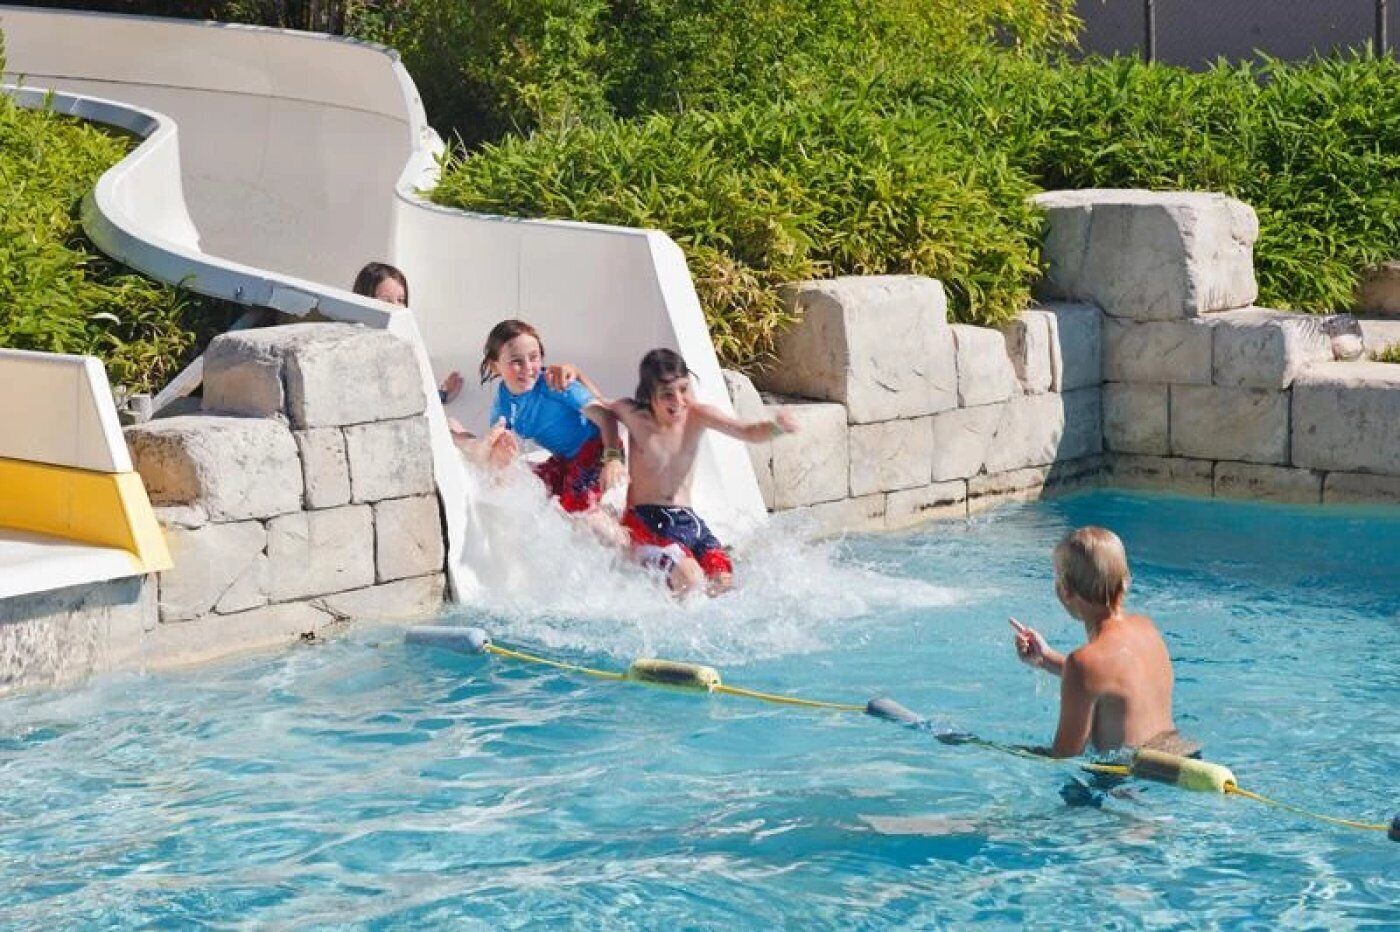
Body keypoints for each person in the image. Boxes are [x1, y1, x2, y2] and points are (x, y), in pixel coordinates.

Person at [603, 348, 797, 596]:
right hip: (647, 520)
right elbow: (598, 406)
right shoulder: (634, 415)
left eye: (684, 389)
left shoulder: (698, 416)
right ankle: (646, 564)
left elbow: (747, 431)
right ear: (649, 395)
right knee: (691, 581)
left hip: (690, 521)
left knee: (723, 584)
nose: (679, 401)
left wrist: (777, 428)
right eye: (667, 394)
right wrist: (612, 456)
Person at [1009, 527, 1193, 762]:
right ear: (1125, 581)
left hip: (1124, 779)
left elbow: (1064, 755)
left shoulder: (1082, 663)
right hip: (1181, 759)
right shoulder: (1147, 628)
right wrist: (1045, 659)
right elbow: (1114, 680)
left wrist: (1003, 750)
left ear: (1065, 590)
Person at [478, 319, 625, 514]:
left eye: (534, 357)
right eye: (516, 361)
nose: (528, 367)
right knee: (531, 489)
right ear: (495, 366)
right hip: (564, 460)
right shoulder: (503, 406)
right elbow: (497, 453)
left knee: (577, 510)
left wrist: (612, 459)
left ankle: (614, 530)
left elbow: (606, 417)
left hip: (599, 448)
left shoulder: (554, 384)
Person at [351, 261, 466, 432]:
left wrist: (440, 396)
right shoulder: (357, 348)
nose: (396, 307)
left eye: (401, 300)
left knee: (453, 427)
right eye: (386, 300)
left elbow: (401, 395)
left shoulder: (399, 346)